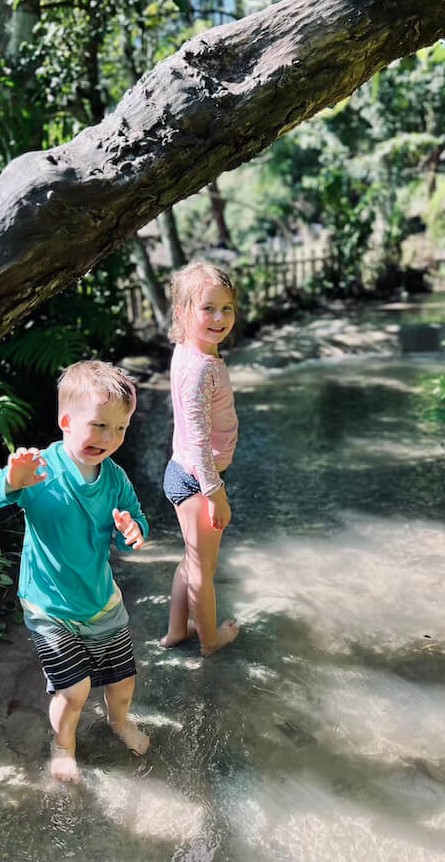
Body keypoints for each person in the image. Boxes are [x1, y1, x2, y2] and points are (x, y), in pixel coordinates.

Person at [0, 361, 149, 784]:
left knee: (122, 680)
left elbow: (135, 520)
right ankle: (63, 746)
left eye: (120, 429)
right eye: (99, 425)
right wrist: (10, 482)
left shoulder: (115, 478)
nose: (110, 438)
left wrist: (133, 531)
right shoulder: (39, 470)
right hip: (48, 605)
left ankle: (119, 721)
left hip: (101, 600)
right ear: (65, 420)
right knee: (75, 690)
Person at [161, 261, 240, 656]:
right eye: (207, 308)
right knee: (202, 571)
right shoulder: (201, 369)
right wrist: (216, 493)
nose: (219, 317)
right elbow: (196, 438)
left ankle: (178, 630)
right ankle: (210, 640)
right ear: (182, 313)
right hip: (198, 480)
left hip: (184, 473)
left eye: (226, 308)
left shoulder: (189, 352)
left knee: (191, 559)